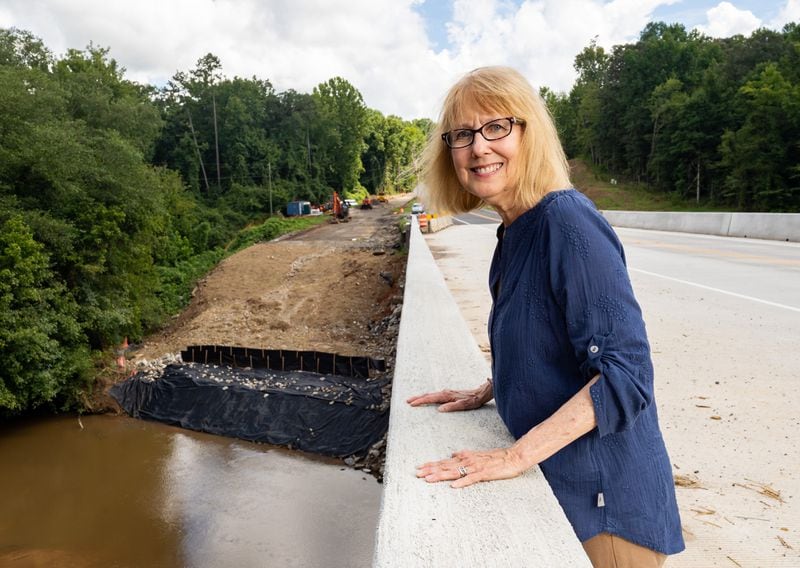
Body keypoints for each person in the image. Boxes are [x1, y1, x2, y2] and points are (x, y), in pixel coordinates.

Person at [407, 66, 684, 567]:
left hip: (606, 508)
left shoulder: (567, 221)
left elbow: (628, 377)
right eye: (462, 135)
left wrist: (512, 458)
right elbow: (544, 337)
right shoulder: (514, 231)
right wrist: (493, 386)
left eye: (497, 128)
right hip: (567, 486)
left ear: (529, 134)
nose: (478, 148)